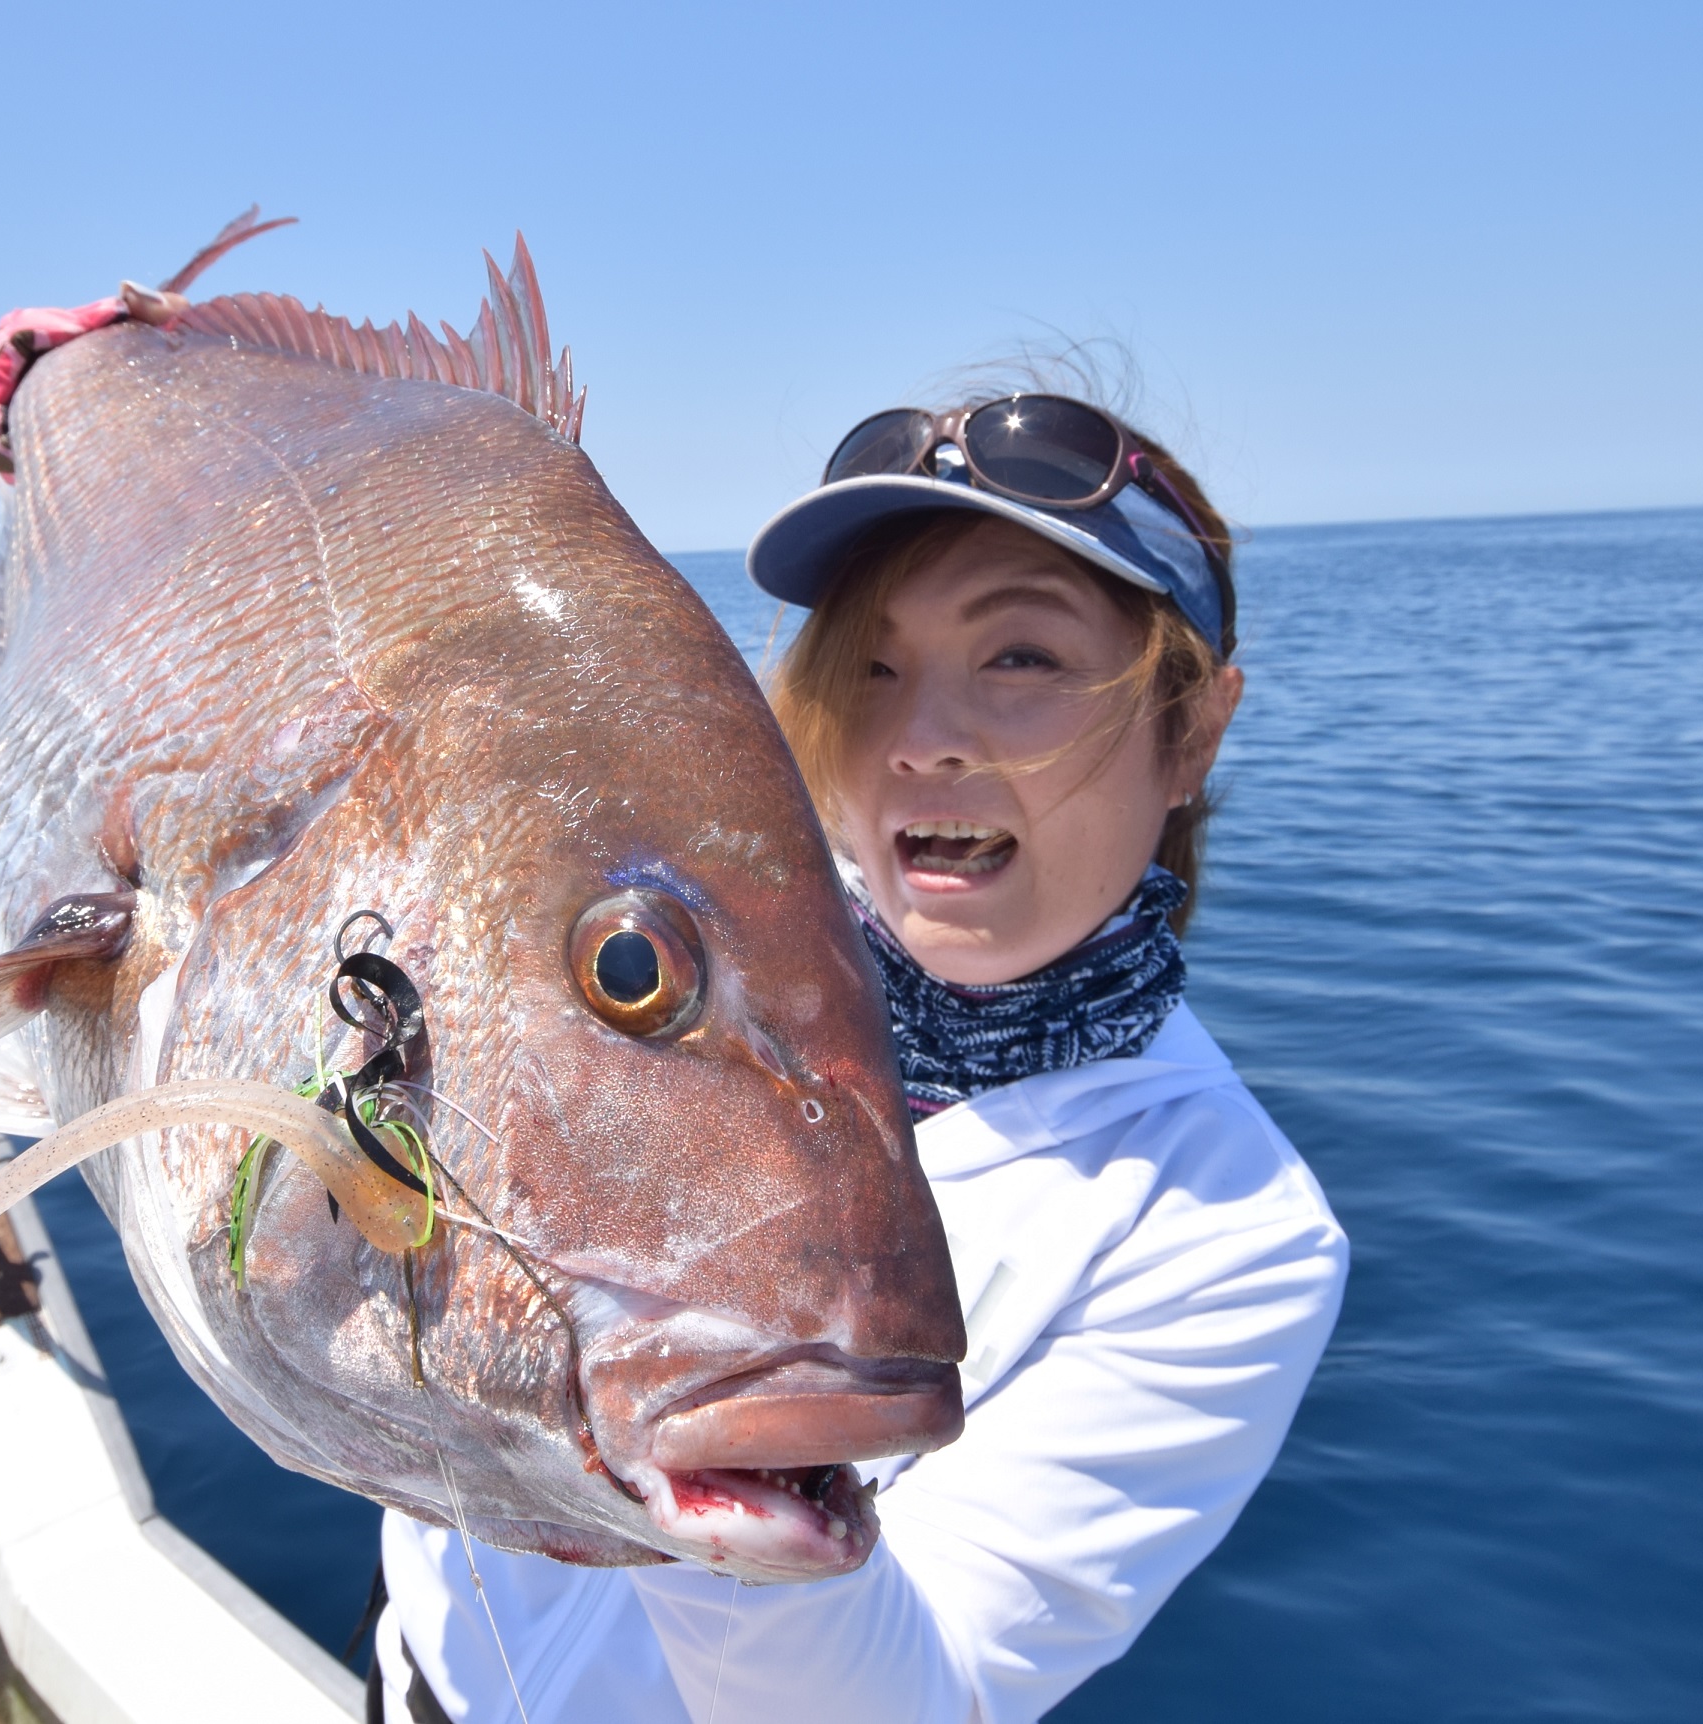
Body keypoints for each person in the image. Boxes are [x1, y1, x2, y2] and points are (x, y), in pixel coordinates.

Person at [371, 390, 1347, 1722]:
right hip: (417, 1672)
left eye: (1021, 658)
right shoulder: (642, 955)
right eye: (872, 668)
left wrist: (723, 1455)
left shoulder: (1230, 1234)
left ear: (1192, 731)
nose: (920, 737)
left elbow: (920, 1699)